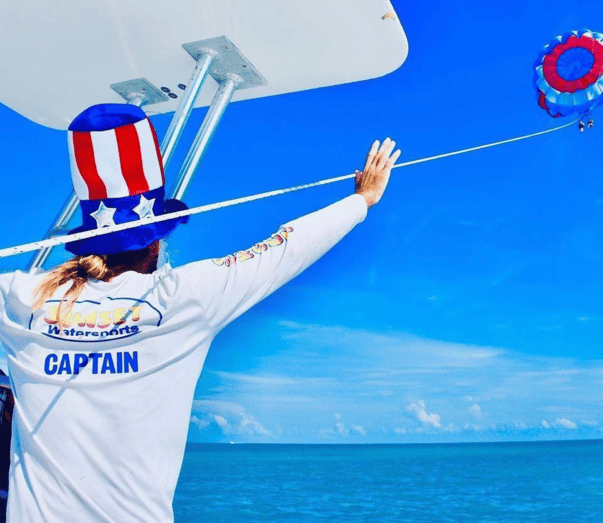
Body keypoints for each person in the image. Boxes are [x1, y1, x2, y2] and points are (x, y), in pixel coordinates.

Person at [0, 103, 400, 523]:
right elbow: (287, 246)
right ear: (155, 241)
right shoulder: (185, 296)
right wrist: (362, 200)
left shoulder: (21, 295)